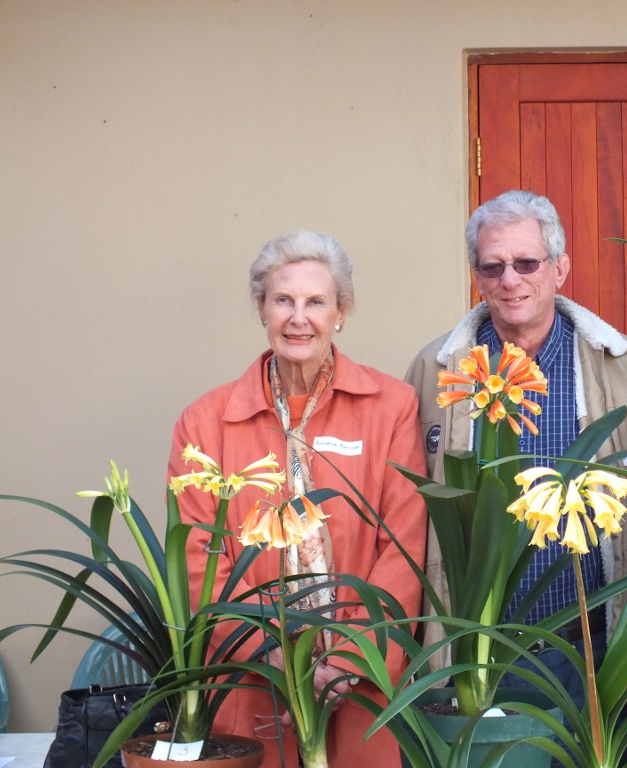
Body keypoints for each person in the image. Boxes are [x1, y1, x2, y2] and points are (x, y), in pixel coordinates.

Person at [405, 189, 627, 711]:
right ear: (477, 277)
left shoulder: (620, 364)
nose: (510, 280)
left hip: (586, 646)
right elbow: (407, 510)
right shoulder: (436, 369)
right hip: (472, 651)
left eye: (527, 263)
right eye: (493, 267)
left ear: (559, 268)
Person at [170, 231, 427, 768]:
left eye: (316, 302)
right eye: (283, 300)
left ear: (341, 312)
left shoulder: (392, 407)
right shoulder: (205, 421)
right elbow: (198, 559)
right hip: (251, 682)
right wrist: (275, 655)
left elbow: (403, 546)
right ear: (261, 308)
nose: (298, 318)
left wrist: (348, 661)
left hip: (359, 686)